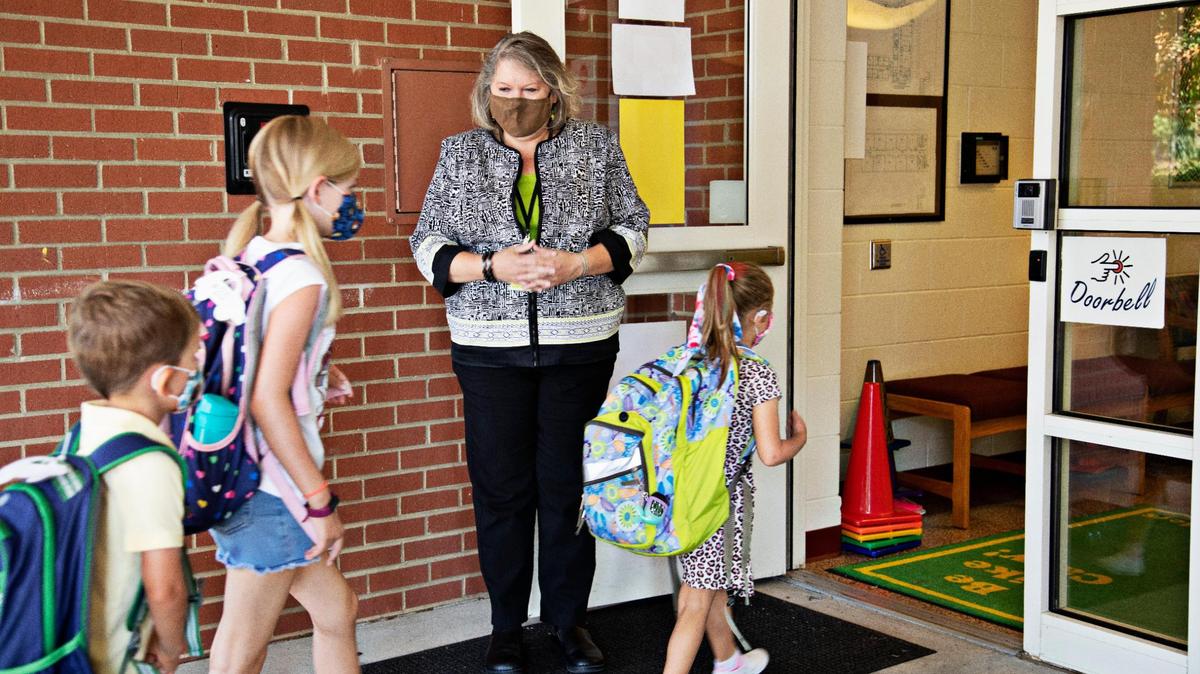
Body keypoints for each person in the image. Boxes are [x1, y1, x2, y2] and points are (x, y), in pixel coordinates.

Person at [410, 31, 649, 674]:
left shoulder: (597, 147)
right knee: (501, 492)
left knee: (569, 490)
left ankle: (570, 624)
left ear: (554, 90)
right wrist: (489, 266)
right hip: (489, 352)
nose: (516, 101)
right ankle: (505, 630)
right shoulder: (459, 155)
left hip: (581, 345)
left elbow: (633, 226)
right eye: (504, 89)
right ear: (488, 93)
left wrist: (579, 264)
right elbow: (427, 241)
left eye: (530, 89)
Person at [206, 115, 361, 674]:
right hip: (271, 488)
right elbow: (267, 399)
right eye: (347, 190)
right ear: (319, 189)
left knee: (337, 608)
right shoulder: (301, 276)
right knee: (239, 652)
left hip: (248, 473)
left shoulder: (250, 254)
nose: (350, 202)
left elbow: (260, 355)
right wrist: (318, 501)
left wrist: (320, 371)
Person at [662, 263, 807, 674]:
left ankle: (728, 661)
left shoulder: (686, 362)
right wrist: (799, 437)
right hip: (719, 503)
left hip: (680, 495)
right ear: (760, 317)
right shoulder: (756, 373)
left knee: (707, 587)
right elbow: (771, 453)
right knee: (694, 601)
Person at [67, 279, 201, 674]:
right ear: (163, 380)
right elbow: (165, 587)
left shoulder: (82, 433)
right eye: (193, 359)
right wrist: (173, 646)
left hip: (70, 641)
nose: (197, 369)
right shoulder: (151, 463)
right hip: (116, 655)